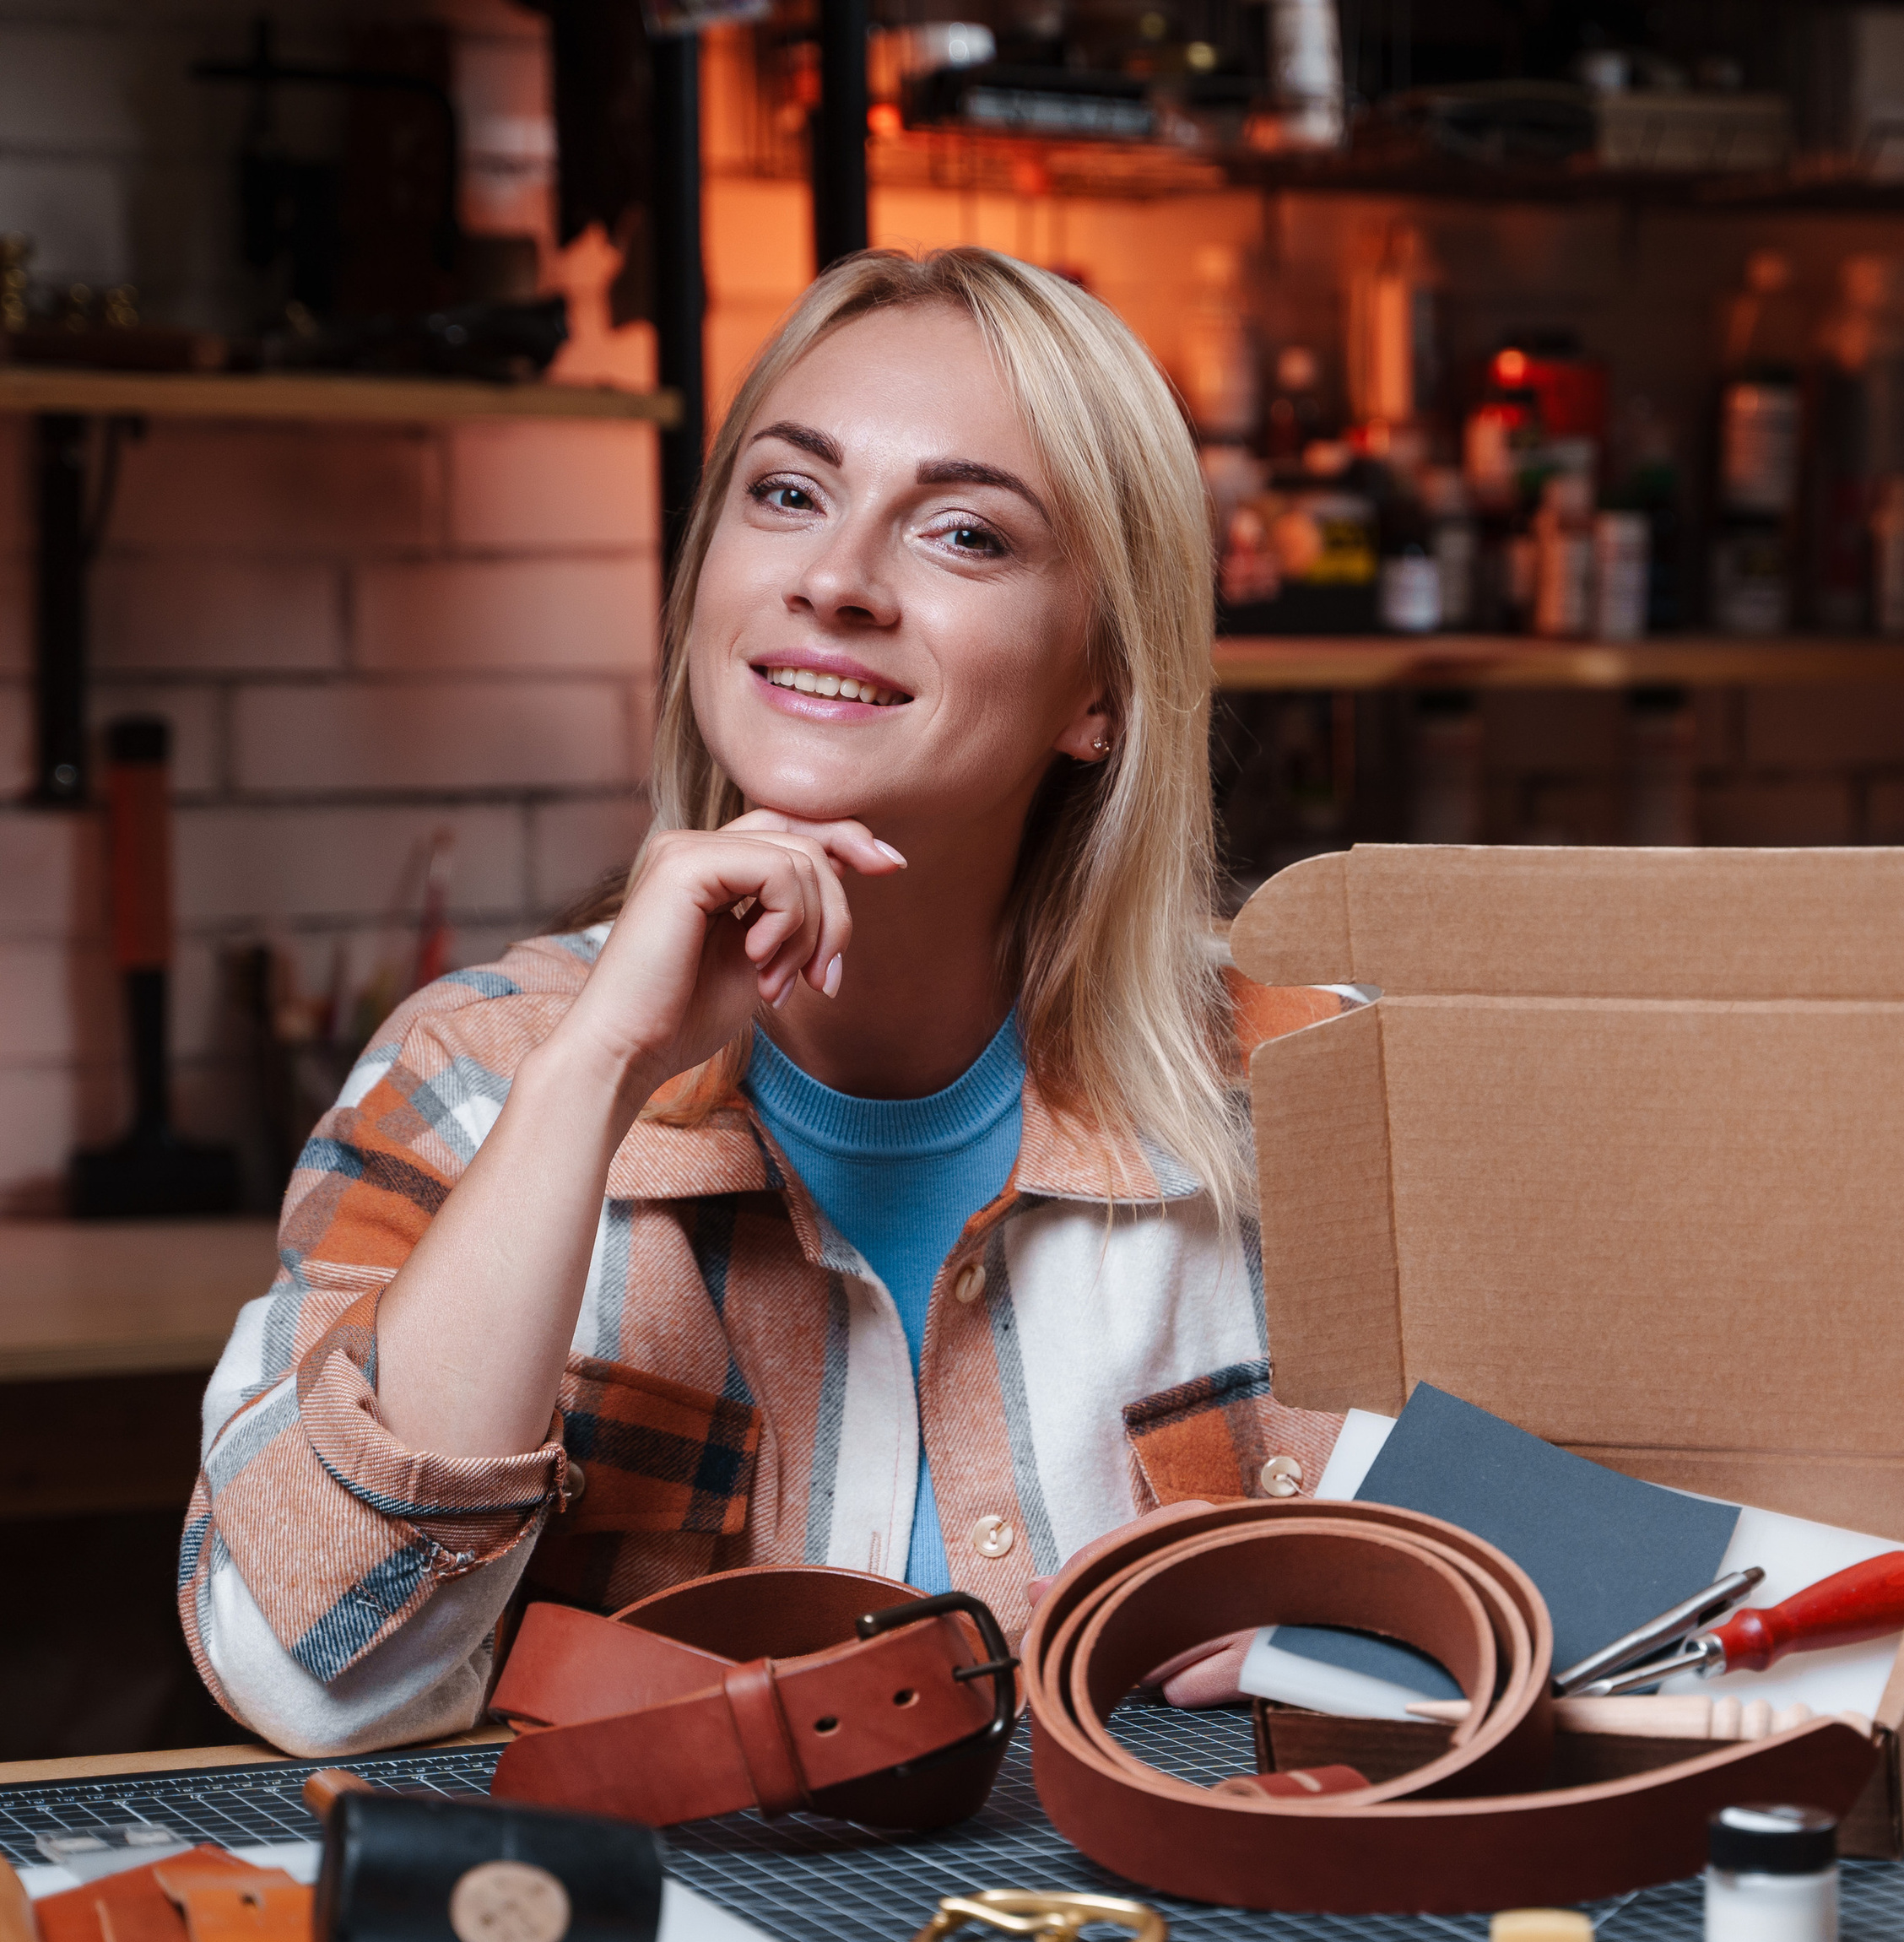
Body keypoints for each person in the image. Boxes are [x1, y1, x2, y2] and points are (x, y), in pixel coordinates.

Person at [182, 247, 1342, 1755]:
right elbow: (305, 1674)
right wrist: (599, 1069)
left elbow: (1682, 1557)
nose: (836, 579)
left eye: (966, 533)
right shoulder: (473, 1078)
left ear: (1101, 690)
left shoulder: (1302, 1093)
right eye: (788, 494)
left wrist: (1373, 1618)